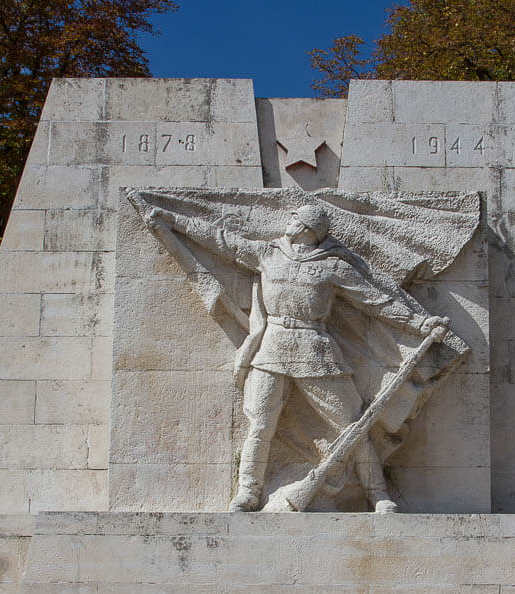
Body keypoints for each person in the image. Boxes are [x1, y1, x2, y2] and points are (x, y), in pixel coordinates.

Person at [144, 204, 446, 513]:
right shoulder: (268, 254)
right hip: (272, 349)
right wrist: (173, 220)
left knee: (351, 426)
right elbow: (221, 240)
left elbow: (375, 300)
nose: (288, 221)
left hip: (315, 349)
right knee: (260, 423)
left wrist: (419, 323)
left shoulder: (332, 266)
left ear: (306, 227)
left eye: (294, 218)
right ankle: (248, 492)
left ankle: (378, 495)